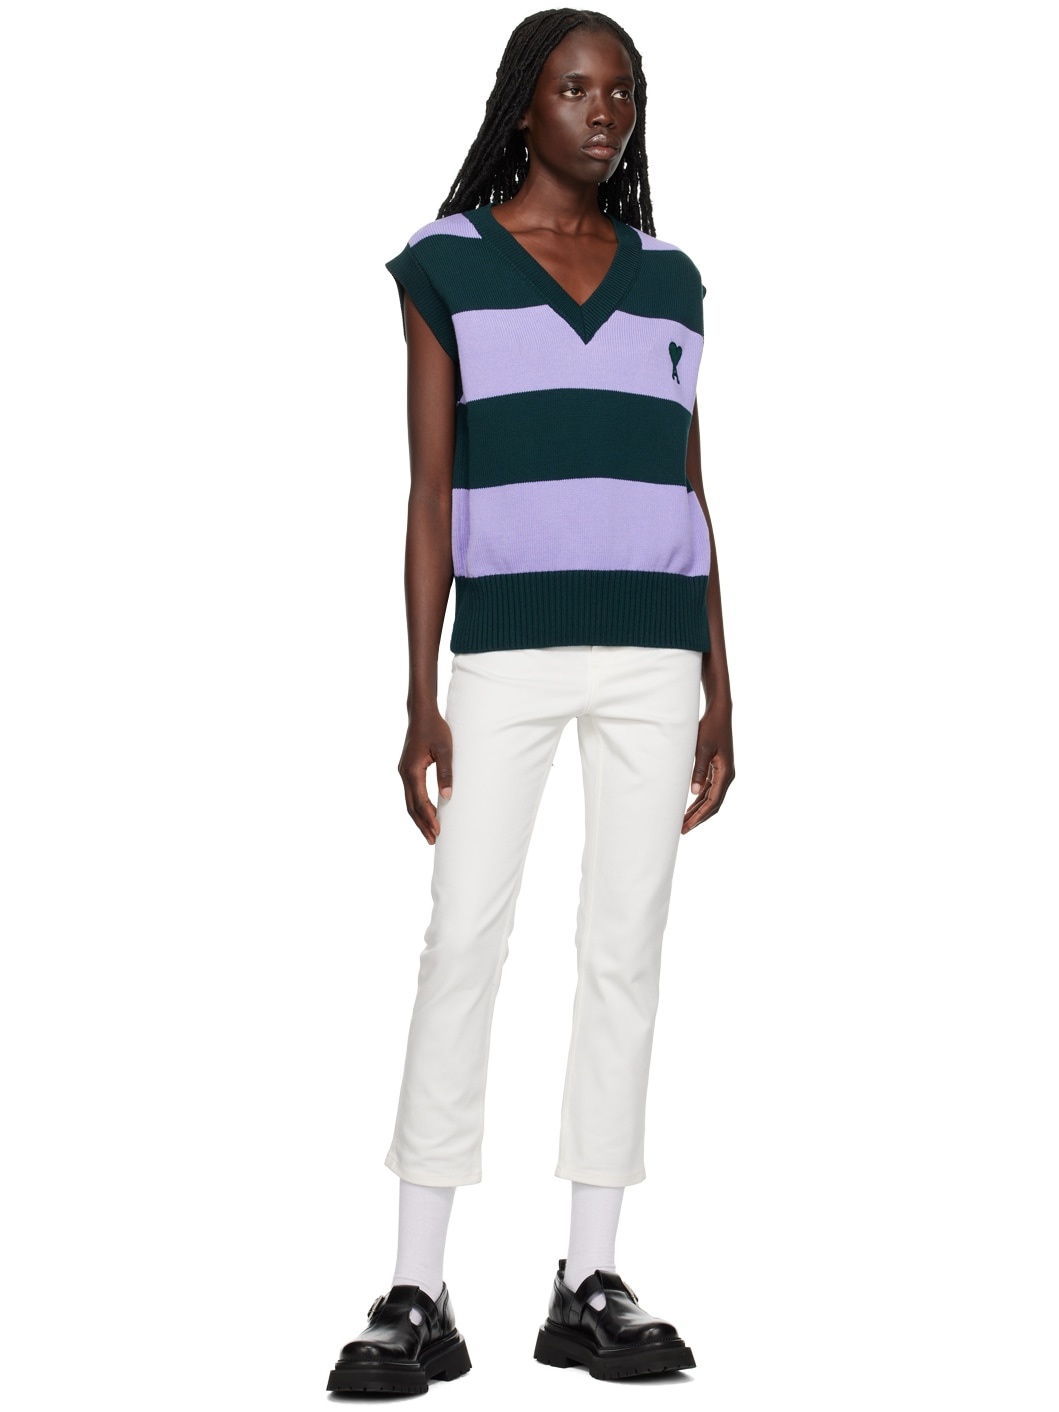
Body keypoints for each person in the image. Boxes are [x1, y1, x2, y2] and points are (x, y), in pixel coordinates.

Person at [325, 7, 734, 1395]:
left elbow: (689, 484)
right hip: (502, 652)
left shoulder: (672, 279)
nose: (601, 111)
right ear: (523, 106)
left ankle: (590, 1279)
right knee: (464, 942)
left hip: (654, 657)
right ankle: (414, 1287)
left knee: (625, 951)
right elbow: (430, 489)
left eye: (620, 90)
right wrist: (418, 695)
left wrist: (721, 687)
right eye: (573, 87)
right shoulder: (447, 264)